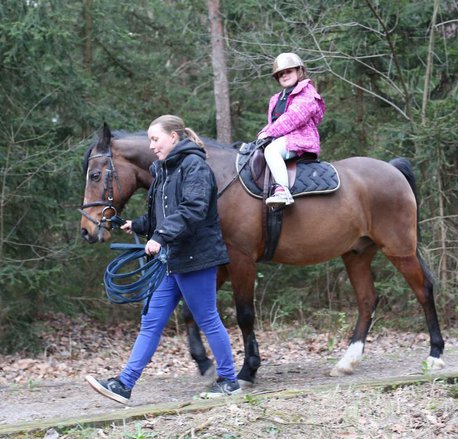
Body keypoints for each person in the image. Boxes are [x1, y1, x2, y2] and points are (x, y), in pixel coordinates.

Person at [85, 115, 240, 404]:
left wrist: (160, 237)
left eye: (155, 139)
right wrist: (140, 225)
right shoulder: (164, 171)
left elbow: (193, 209)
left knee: (207, 318)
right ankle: (124, 384)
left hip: (196, 258)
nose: (152, 145)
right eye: (150, 140)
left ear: (174, 137)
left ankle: (229, 380)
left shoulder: (195, 166)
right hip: (173, 259)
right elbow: (162, 216)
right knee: (152, 322)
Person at [258, 52, 326, 207]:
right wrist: (262, 134)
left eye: (288, 71)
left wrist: (268, 133)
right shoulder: (277, 98)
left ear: (299, 71)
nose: (284, 75)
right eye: (280, 74)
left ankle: (283, 191)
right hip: (281, 139)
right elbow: (273, 122)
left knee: (271, 151)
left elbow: (293, 117)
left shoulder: (307, 93)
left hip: (300, 139)